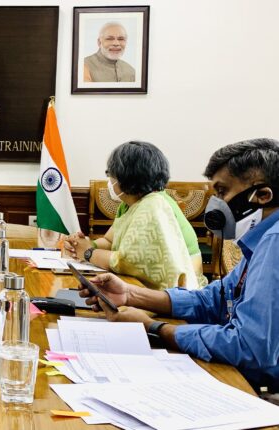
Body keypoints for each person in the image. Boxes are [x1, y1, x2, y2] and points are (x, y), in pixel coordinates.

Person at [80, 138, 279, 395]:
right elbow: (214, 300)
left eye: (222, 191)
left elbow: (250, 349)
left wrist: (155, 329)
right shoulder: (260, 239)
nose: (216, 203)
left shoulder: (274, 241)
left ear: (262, 195)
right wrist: (131, 294)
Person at [64, 141, 204, 290]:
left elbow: (127, 262)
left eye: (111, 175)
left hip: (181, 291)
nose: (109, 181)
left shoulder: (153, 206)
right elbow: (109, 240)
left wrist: (88, 253)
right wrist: (85, 244)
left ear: (126, 178)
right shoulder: (129, 203)